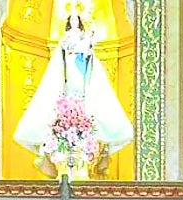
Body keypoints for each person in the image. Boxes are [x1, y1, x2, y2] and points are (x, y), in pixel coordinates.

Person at [13, 11, 133, 175]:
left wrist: (88, 44)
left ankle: (93, 161)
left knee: (84, 96)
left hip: (81, 69)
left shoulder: (84, 37)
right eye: (73, 20)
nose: (75, 22)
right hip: (70, 71)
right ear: (69, 22)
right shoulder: (66, 39)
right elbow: (62, 54)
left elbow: (89, 50)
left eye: (77, 20)